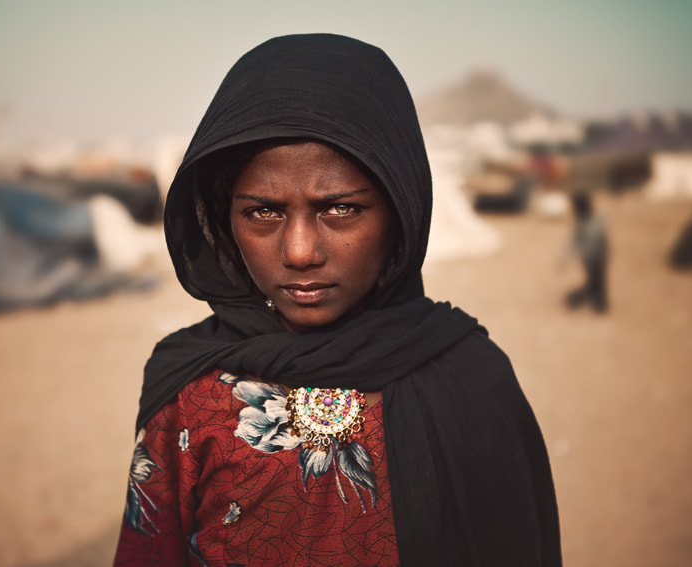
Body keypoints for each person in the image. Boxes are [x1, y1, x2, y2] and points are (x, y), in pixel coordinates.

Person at [113, 34, 561, 566]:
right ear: (223, 216)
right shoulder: (191, 392)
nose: (300, 252)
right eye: (263, 212)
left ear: (401, 210)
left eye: (341, 209)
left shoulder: (470, 376)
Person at [564, 190, 609, 312]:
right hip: (591, 259)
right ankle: (591, 297)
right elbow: (575, 240)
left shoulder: (593, 222)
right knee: (595, 282)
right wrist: (565, 257)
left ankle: (594, 299)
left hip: (597, 258)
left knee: (597, 282)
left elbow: (579, 241)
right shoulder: (587, 222)